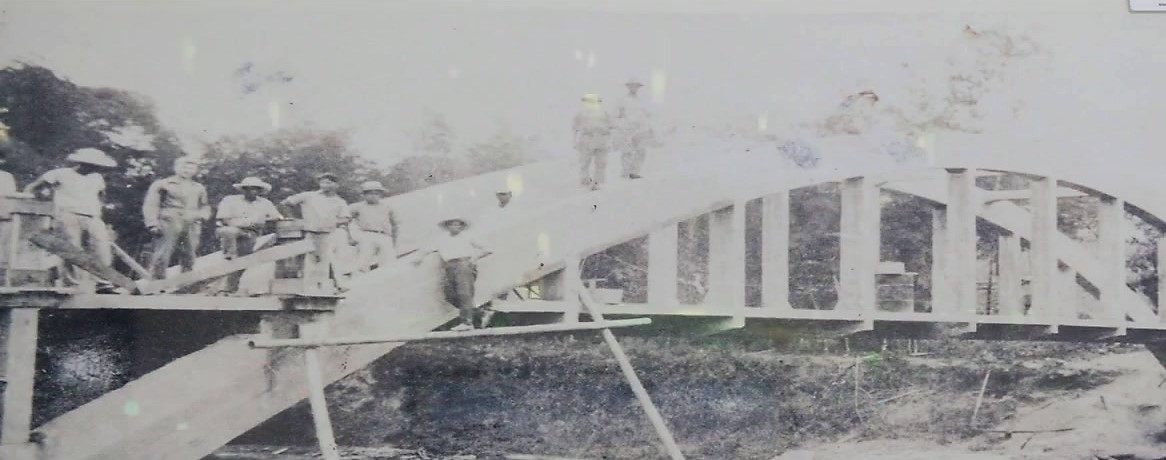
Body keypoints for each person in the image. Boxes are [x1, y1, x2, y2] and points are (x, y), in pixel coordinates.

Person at [24, 148, 118, 288]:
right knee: (71, 249)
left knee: (101, 248)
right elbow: (34, 187)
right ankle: (71, 283)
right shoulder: (60, 173)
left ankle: (103, 282)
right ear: (82, 163)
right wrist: (32, 200)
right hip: (68, 214)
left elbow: (101, 195)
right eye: (92, 165)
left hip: (92, 216)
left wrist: (99, 210)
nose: (95, 168)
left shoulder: (97, 178)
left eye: (97, 166)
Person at [413, 216, 491, 331]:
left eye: (457, 225)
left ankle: (467, 322)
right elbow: (426, 249)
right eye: (452, 224)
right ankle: (480, 313)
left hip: (463, 265)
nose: (455, 227)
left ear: (461, 227)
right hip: (449, 266)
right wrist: (419, 257)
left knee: (464, 293)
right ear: (447, 227)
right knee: (449, 295)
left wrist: (474, 258)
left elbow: (488, 249)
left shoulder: (467, 236)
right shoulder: (442, 239)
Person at [280, 173, 353, 293]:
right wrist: (292, 219)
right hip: (310, 233)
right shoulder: (308, 196)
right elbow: (286, 203)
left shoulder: (340, 201)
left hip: (328, 234)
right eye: (322, 182)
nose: (325, 185)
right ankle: (308, 289)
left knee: (327, 260)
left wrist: (333, 222)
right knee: (310, 261)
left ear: (336, 185)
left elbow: (346, 218)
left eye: (328, 182)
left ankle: (327, 288)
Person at [142, 156, 211, 279]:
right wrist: (152, 223)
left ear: (195, 170)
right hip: (169, 221)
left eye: (191, 168)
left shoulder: (199, 188)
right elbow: (151, 204)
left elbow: (205, 206)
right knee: (162, 253)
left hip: (191, 222)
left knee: (189, 254)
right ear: (176, 168)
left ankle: (186, 282)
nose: (187, 170)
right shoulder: (163, 184)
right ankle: (157, 282)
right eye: (184, 167)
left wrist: (201, 216)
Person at [214, 176, 283, 294]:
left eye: (255, 189)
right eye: (247, 188)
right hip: (231, 230)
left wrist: (262, 220)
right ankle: (229, 256)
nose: (251, 191)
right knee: (229, 233)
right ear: (243, 190)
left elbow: (276, 216)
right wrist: (247, 222)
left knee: (244, 259)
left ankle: (229, 287)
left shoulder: (265, 203)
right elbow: (224, 218)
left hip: (251, 233)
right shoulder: (230, 200)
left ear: (259, 190)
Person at [350, 180, 399, 273]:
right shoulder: (357, 207)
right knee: (362, 263)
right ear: (364, 195)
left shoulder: (387, 207)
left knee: (389, 263)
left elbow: (395, 224)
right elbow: (346, 221)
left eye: (376, 193)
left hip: (384, 235)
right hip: (366, 235)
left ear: (380, 194)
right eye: (369, 193)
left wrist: (394, 240)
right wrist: (351, 237)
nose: (373, 196)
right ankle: (361, 279)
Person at [615, 78, 656, 180]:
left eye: (636, 86)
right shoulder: (623, 100)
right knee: (627, 151)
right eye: (632, 85)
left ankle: (634, 172)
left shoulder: (641, 101)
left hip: (640, 129)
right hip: (627, 129)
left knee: (641, 151)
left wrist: (649, 126)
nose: (634, 88)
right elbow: (618, 114)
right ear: (628, 87)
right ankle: (625, 172)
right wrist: (621, 125)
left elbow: (647, 114)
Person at [573, 93, 613, 191]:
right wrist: (575, 141)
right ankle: (585, 181)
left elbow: (611, 126)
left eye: (594, 101)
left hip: (601, 139)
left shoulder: (604, 113)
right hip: (587, 139)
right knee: (584, 162)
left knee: (601, 163)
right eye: (589, 102)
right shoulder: (580, 114)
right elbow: (575, 129)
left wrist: (609, 139)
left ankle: (597, 183)